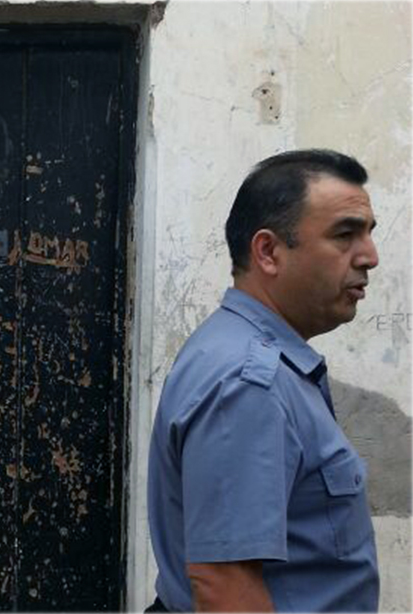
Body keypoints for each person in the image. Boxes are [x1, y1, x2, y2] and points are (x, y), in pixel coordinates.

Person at [146, 149, 380, 612]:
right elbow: (225, 587)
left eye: (369, 233)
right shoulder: (250, 382)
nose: (370, 257)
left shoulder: (245, 352)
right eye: (345, 235)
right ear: (269, 252)